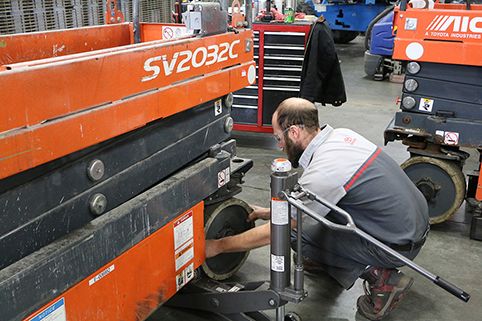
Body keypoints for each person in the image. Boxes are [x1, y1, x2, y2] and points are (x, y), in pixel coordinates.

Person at [205, 97, 429, 321]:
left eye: (278, 138)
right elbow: (319, 200)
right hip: (411, 225)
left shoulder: (324, 170)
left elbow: (280, 229)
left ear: (293, 132)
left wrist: (218, 246)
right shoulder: (340, 136)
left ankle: (383, 279)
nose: (280, 146)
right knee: (310, 218)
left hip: (397, 245)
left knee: (294, 235)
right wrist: (268, 211)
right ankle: (330, 259)